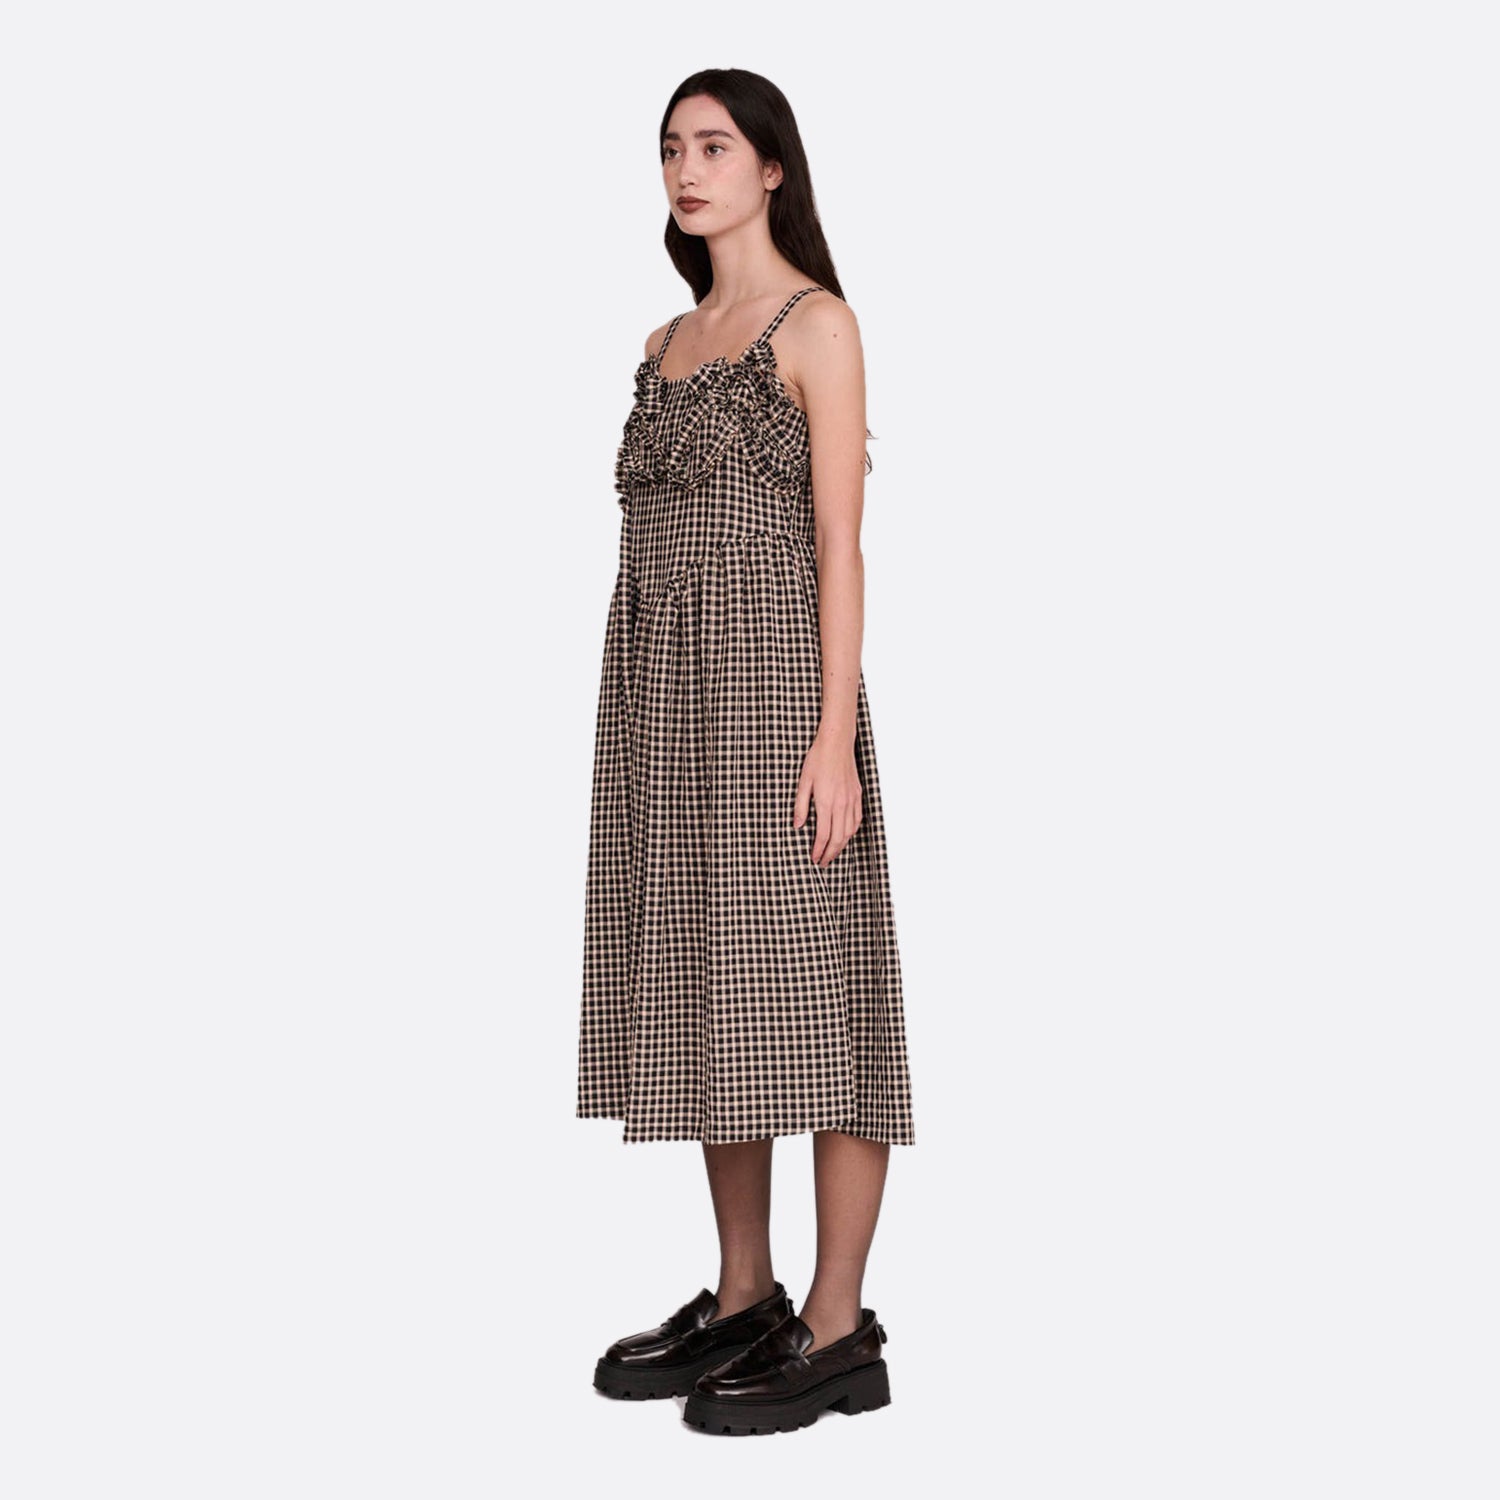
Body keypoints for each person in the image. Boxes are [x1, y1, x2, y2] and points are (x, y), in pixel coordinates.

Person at [576, 68, 916, 1437]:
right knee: (720, 993)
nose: (686, 167)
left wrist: (832, 736)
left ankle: (837, 1325)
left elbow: (840, 544)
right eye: (672, 146)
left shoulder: (816, 325)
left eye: (714, 145)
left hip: (778, 699)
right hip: (667, 706)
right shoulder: (664, 341)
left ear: (772, 167)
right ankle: (744, 1291)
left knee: (820, 997)